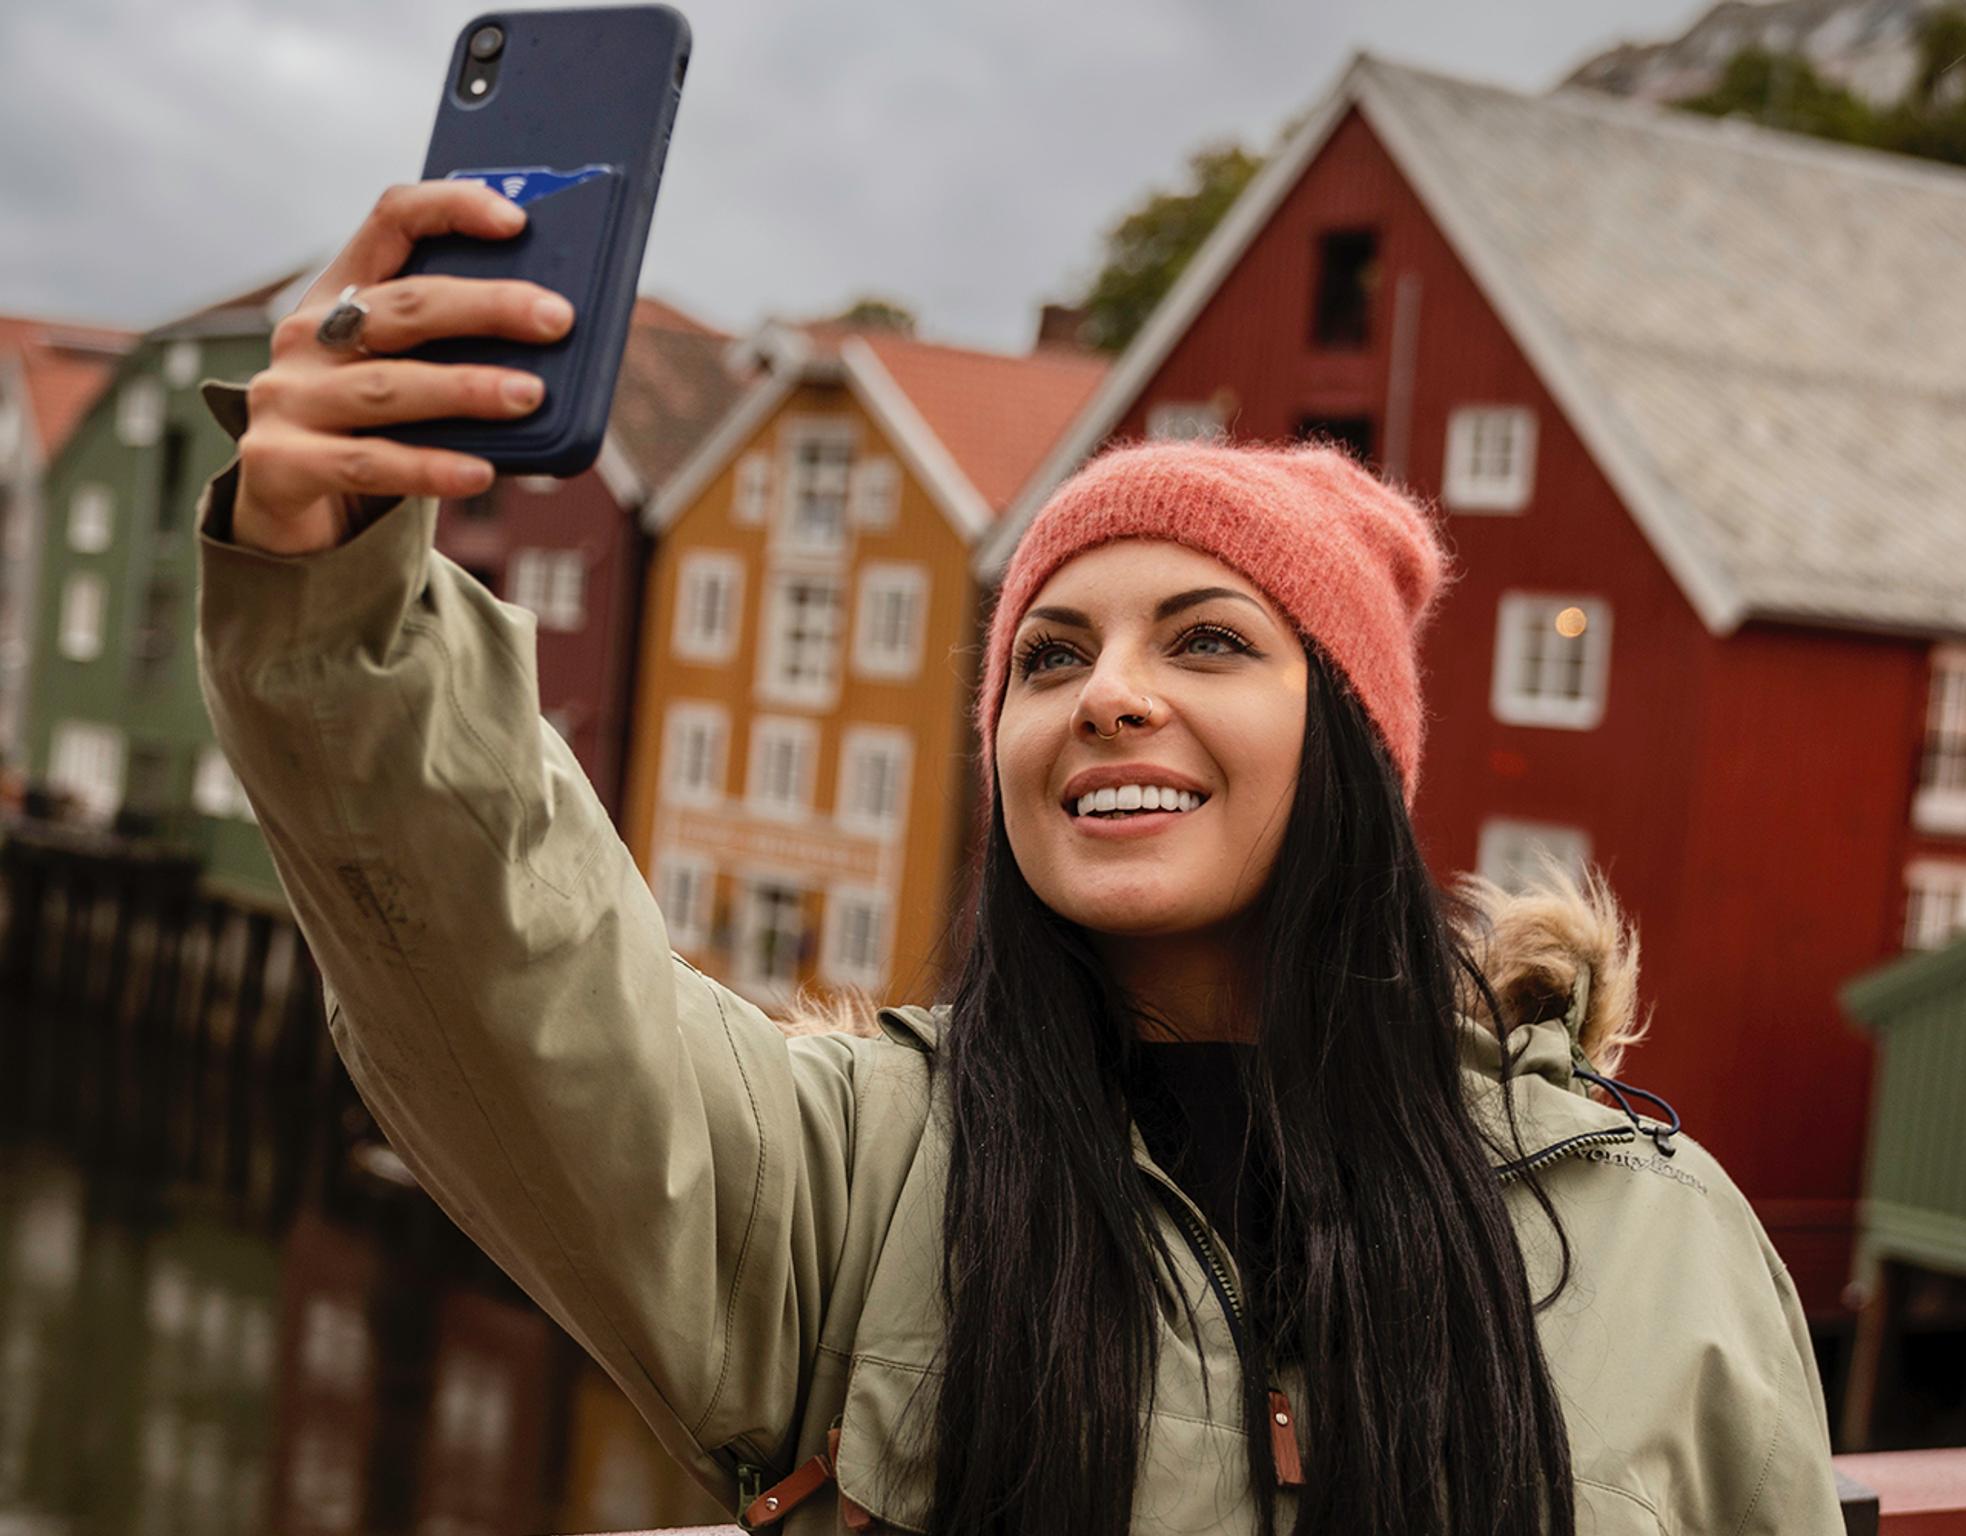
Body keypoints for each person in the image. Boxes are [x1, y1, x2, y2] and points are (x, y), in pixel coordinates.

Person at [195, 181, 1846, 1536]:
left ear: (1349, 747)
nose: (1108, 694)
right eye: (1049, 660)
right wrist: (336, 588)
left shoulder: (1653, 1240)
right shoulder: (864, 1183)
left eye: (1207, 643)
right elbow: (510, 978)